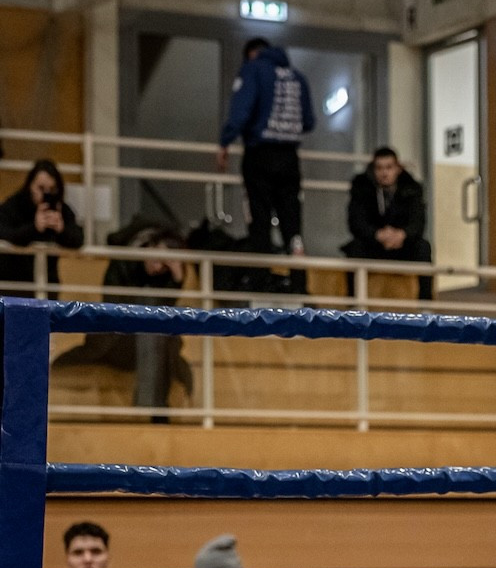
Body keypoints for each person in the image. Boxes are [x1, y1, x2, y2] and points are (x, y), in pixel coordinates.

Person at [50, 224, 193, 419]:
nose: (158, 267)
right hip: (116, 336)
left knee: (160, 330)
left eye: (165, 265)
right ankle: (155, 408)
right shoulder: (123, 261)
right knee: (152, 323)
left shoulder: (165, 275)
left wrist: (176, 278)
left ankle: (155, 407)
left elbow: (166, 310)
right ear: (149, 247)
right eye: (157, 259)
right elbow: (113, 306)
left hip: (151, 339)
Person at [216, 37, 315, 256]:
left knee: (259, 218)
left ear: (252, 54)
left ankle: (261, 279)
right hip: (289, 157)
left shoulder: (253, 71)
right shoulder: (297, 77)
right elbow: (308, 122)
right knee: (291, 220)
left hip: (259, 154)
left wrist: (225, 142)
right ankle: (298, 280)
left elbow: (240, 113)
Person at [341, 147, 433, 300]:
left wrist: (401, 235)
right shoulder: (361, 187)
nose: (384, 173)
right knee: (355, 248)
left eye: (389, 167)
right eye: (379, 168)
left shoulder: (412, 188)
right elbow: (356, 222)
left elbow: (418, 223)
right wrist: (378, 234)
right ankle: (353, 304)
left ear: (398, 168)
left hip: (403, 245)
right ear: (373, 169)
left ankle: (426, 306)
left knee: (424, 248)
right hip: (373, 244)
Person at [0, 159, 84, 292]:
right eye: (41, 188)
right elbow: (4, 232)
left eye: (51, 189)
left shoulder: (61, 209)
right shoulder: (15, 205)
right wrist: (34, 228)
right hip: (14, 282)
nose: (46, 194)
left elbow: (78, 238)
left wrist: (61, 230)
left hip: (48, 284)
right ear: (30, 186)